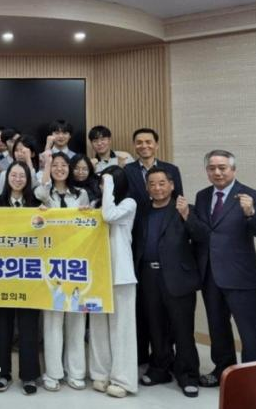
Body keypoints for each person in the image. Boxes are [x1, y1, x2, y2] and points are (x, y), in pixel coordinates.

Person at [189, 150, 256, 387]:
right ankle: (222, 370)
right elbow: (204, 233)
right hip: (210, 274)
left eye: (222, 168)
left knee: (249, 331)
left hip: (240, 275)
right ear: (207, 171)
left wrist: (251, 213)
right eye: (212, 168)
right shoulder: (203, 196)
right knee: (218, 328)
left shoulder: (252, 196)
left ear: (233, 170)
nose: (217, 172)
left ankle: (253, 379)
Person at [132, 167, 202, 397]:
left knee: (183, 329)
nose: (157, 188)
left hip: (177, 277)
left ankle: (188, 374)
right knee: (156, 327)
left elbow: (202, 237)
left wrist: (187, 215)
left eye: (162, 183)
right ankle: (160, 368)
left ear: (172, 185)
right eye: (152, 184)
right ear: (147, 188)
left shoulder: (185, 208)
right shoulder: (142, 211)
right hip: (148, 277)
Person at [124, 127, 182, 366]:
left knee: (168, 311)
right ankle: (144, 356)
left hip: (166, 242)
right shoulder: (127, 170)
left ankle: (167, 356)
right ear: (134, 146)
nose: (144, 146)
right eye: (139, 142)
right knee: (144, 307)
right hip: (139, 239)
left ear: (156, 145)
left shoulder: (171, 169)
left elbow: (178, 203)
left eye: (148, 142)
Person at [35, 152, 90, 392]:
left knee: (76, 318)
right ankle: (53, 372)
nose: (59, 169)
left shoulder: (81, 194)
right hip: (51, 265)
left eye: (63, 165)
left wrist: (87, 213)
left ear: (70, 169)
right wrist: (47, 163)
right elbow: (41, 189)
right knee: (53, 320)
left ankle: (76, 372)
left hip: (77, 264)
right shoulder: (44, 194)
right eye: (55, 165)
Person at [0, 161, 41, 395]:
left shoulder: (36, 204)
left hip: (29, 273)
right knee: (3, 325)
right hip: (2, 273)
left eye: (22, 175)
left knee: (29, 326)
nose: (18, 179)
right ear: (7, 177)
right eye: (14, 175)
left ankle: (29, 376)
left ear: (28, 179)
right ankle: (1, 374)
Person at [88, 165, 138, 398]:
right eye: (101, 183)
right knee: (98, 326)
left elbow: (109, 216)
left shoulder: (129, 203)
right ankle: (101, 373)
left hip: (121, 274)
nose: (101, 186)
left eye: (105, 182)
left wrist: (108, 182)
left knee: (122, 329)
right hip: (97, 273)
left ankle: (123, 379)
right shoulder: (97, 204)